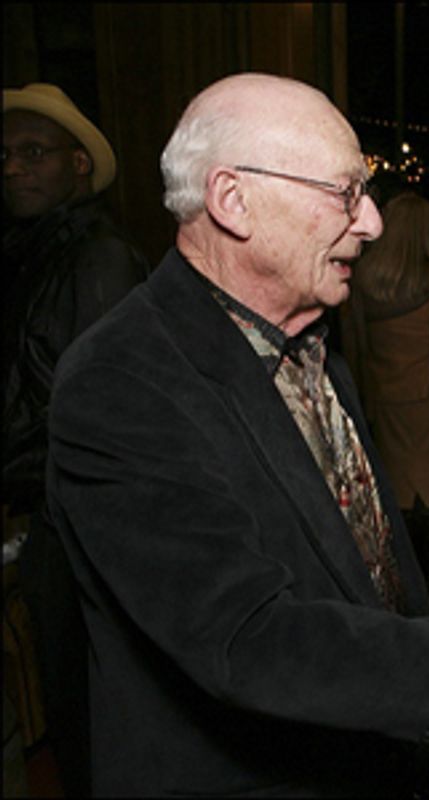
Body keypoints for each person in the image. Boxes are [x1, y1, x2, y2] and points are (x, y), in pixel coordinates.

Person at [43, 72, 429, 797]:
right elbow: (247, 640)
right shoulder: (120, 381)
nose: (372, 224)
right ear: (233, 200)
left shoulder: (308, 330)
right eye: (345, 194)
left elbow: (363, 566)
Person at [3, 81, 150, 796]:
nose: (12, 168)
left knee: (93, 724)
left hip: (88, 533)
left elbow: (96, 419)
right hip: (54, 519)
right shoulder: (36, 250)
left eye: (34, 152)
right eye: (3, 155)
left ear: (80, 164)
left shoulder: (97, 257)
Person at [342, 193, 429, 615]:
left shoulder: (362, 281)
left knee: (398, 494)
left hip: (387, 401)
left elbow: (353, 342)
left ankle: (402, 587)